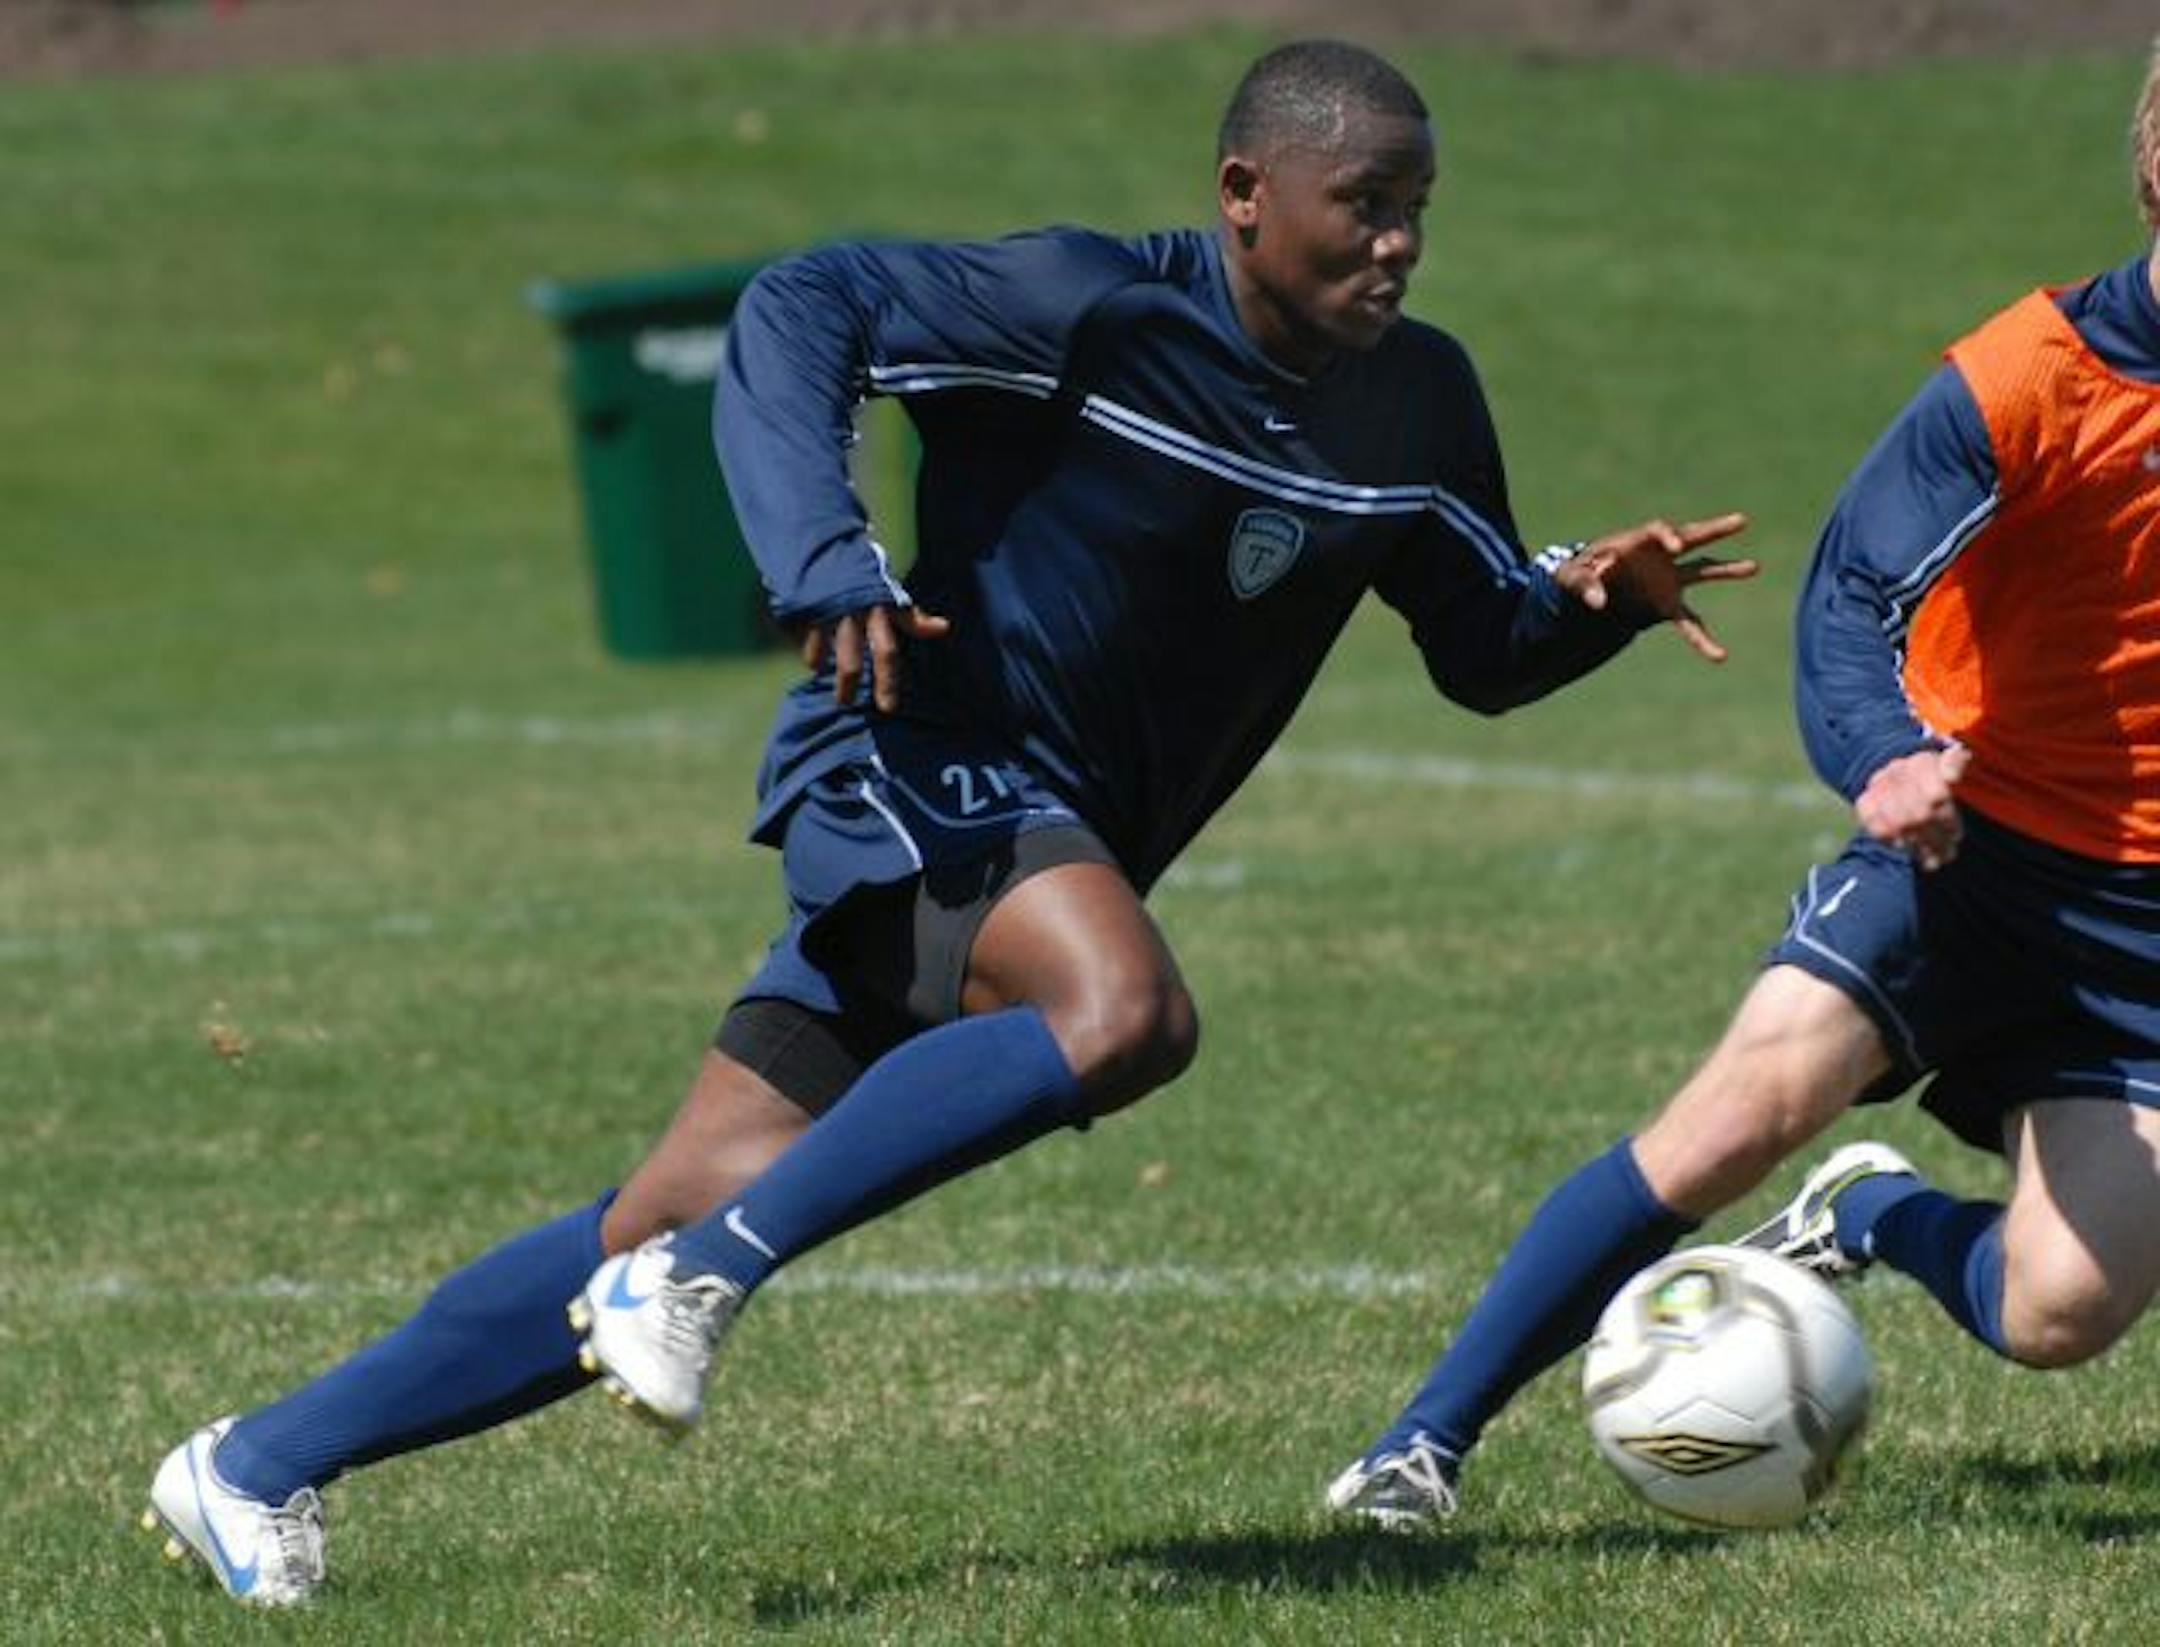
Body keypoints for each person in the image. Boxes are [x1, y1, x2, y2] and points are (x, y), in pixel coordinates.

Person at [143, 39, 1752, 1605]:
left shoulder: (1416, 401)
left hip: (1035, 847)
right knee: (1123, 1014)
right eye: (1366, 203)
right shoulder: (1088, 305)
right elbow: (803, 302)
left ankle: (258, 1462)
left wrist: (1599, 601)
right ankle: (705, 1282)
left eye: (1419, 209)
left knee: (666, 1201)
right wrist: (824, 556)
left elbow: (1478, 646)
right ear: (1246, 192)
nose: (1397, 243)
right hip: (916, 769)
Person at [1326, 47, 2160, 1533]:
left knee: (2059, 1317)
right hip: (1964, 854)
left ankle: (1872, 1210)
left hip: (2146, 934)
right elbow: (1850, 598)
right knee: (1725, 1125)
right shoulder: (2029, 382)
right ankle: (1418, 1448)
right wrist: (1886, 759)